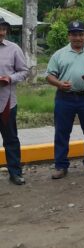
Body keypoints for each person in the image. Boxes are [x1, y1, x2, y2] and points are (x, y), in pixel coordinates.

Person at [46, 21, 84, 179]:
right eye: (74, 34)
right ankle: (60, 166)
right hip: (64, 98)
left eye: (81, 34)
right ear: (69, 36)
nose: (77, 38)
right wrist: (59, 84)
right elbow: (49, 75)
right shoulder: (59, 54)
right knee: (61, 132)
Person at [0, 17, 28, 185]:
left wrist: (9, 78)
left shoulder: (13, 49)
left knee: (10, 139)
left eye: (3, 29)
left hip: (7, 104)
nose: (1, 32)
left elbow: (24, 71)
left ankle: (15, 173)